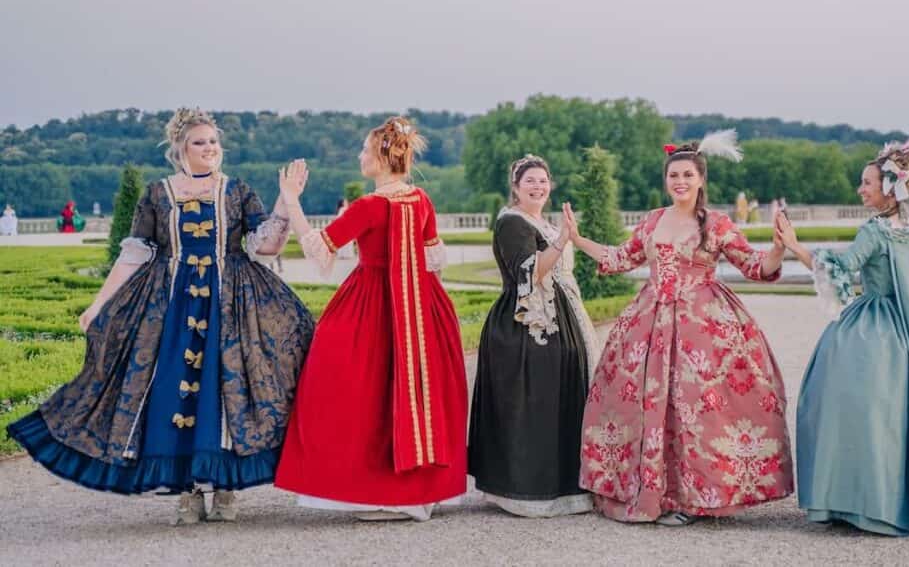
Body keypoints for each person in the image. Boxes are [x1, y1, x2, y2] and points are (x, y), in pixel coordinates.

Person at [7, 108, 315, 525]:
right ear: (180, 150)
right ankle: (186, 491)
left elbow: (266, 246)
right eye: (200, 142)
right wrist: (99, 303)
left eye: (214, 141)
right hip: (170, 303)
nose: (210, 149)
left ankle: (225, 486)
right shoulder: (157, 194)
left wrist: (284, 202)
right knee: (172, 387)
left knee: (229, 386)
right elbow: (135, 252)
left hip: (231, 303)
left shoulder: (238, 190)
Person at [775, 139, 909, 540]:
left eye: (867, 183)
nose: (860, 190)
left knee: (840, 398)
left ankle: (865, 501)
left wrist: (793, 246)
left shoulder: (874, 232)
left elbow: (839, 272)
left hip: (877, 326)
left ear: (889, 186)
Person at [569, 130, 793, 525]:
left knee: (697, 409)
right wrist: (577, 239)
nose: (680, 182)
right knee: (648, 406)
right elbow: (621, 258)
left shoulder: (717, 224)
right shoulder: (654, 220)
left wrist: (778, 249)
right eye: (674, 176)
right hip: (649, 322)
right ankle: (658, 493)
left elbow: (756, 267)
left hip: (703, 327)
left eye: (688, 175)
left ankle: (695, 497)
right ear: (666, 180)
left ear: (701, 179)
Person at [274, 117, 467, 521]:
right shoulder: (421, 200)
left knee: (350, 389)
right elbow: (435, 260)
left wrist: (291, 200)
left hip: (371, 302)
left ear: (381, 156)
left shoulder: (369, 206)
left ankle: (386, 492)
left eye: (364, 150)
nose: (360, 156)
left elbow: (318, 248)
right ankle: (416, 490)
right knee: (411, 391)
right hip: (420, 303)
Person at [468, 155, 597, 518]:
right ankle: (527, 488)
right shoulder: (511, 223)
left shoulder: (543, 221)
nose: (538, 187)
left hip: (562, 315)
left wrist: (570, 238)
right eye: (530, 182)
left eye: (543, 181)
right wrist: (562, 242)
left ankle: (564, 482)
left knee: (562, 397)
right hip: (526, 324)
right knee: (534, 399)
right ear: (516, 187)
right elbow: (532, 274)